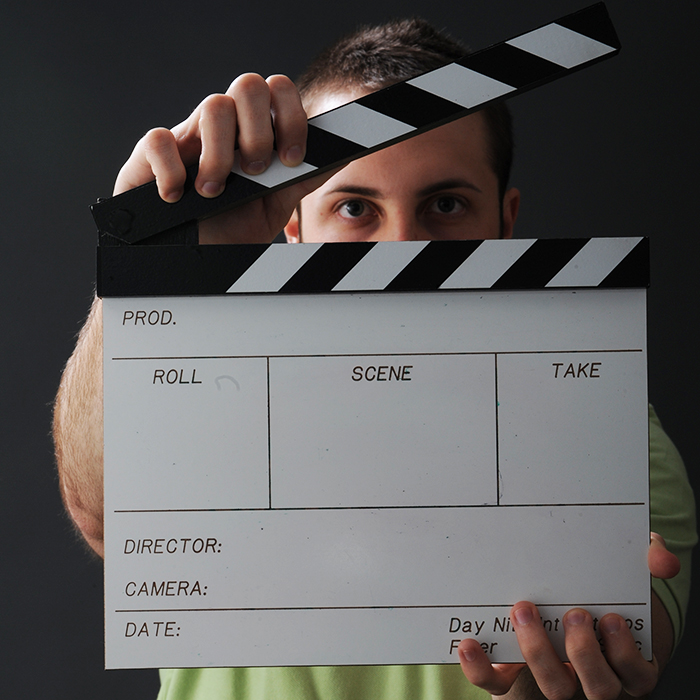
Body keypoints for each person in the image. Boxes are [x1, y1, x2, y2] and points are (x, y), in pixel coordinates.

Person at [53, 17, 696, 700]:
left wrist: (571, 668)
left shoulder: (604, 427)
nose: (401, 250)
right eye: (356, 207)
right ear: (292, 226)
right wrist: (145, 275)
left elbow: (623, 636)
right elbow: (101, 515)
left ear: (504, 224)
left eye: (445, 204)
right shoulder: (219, 384)